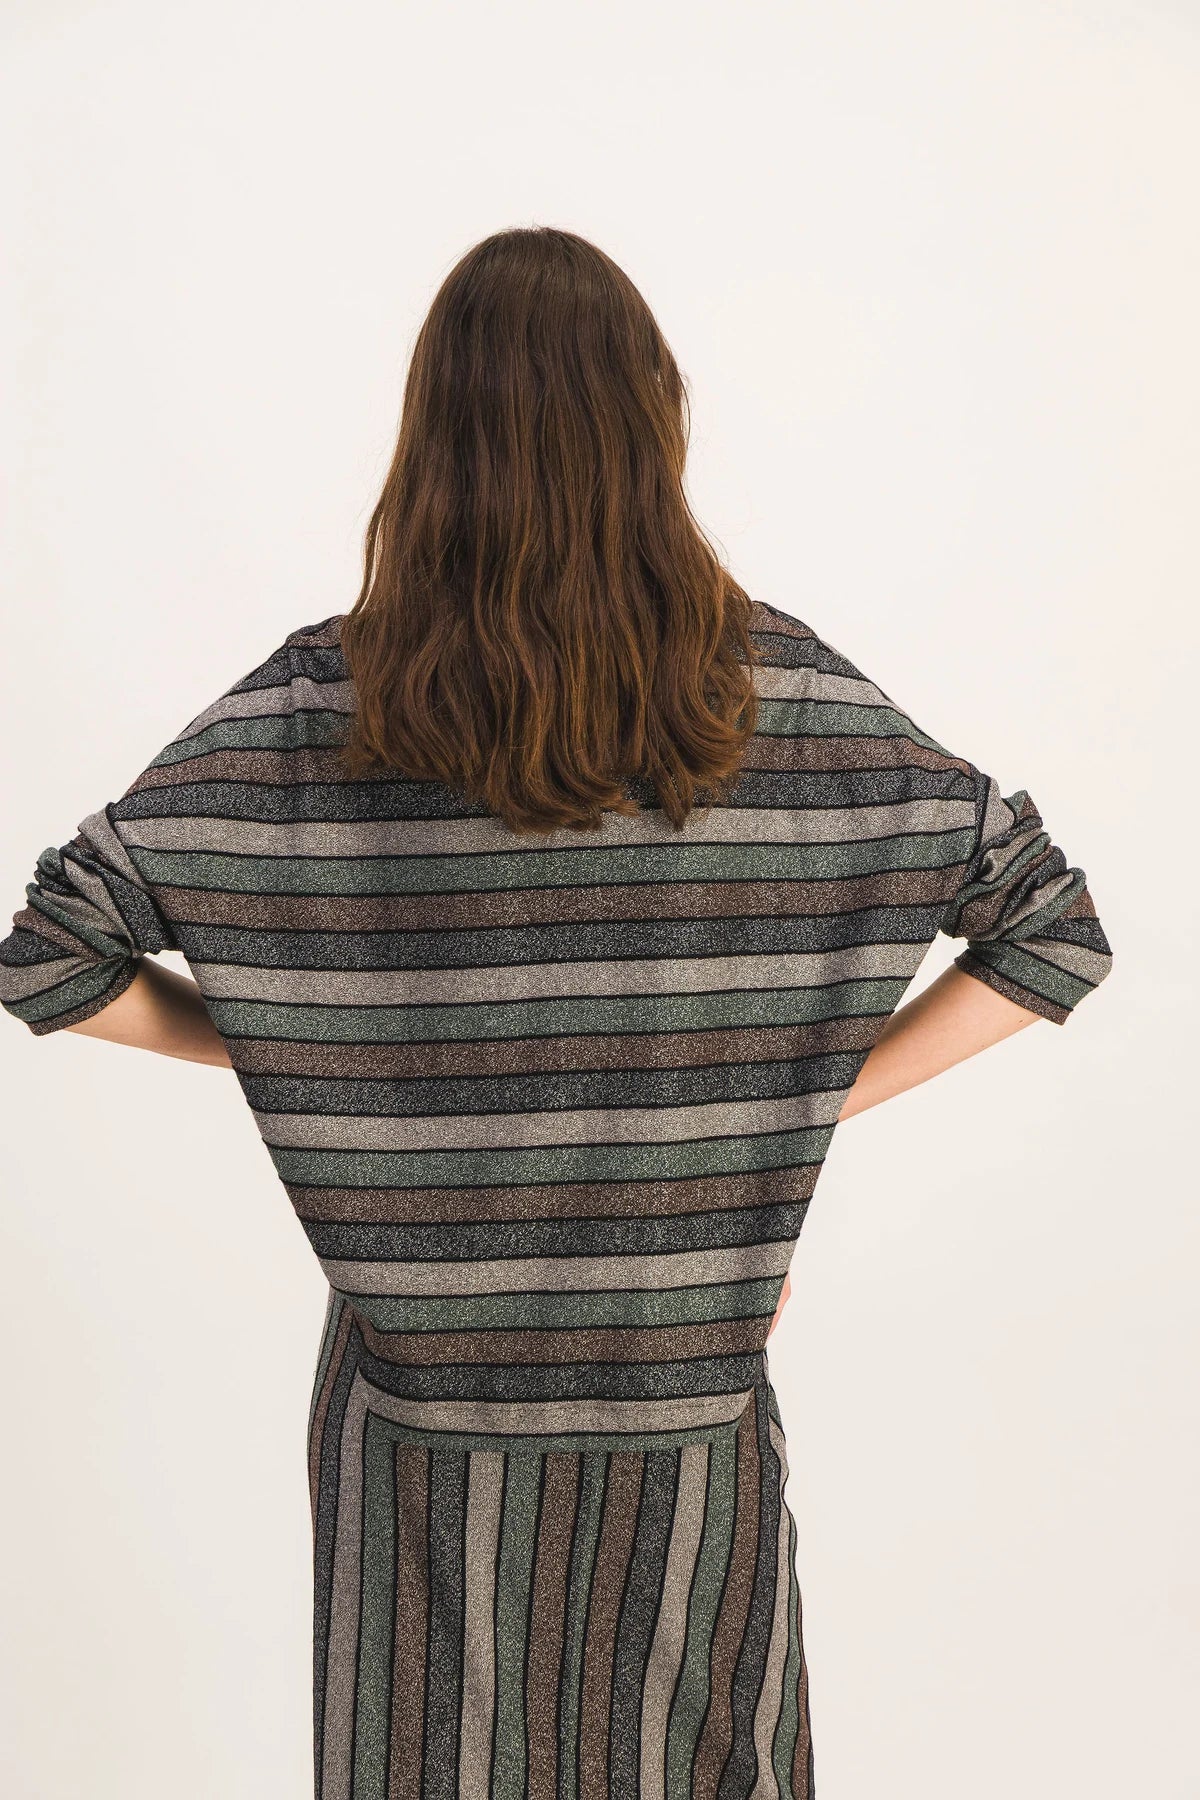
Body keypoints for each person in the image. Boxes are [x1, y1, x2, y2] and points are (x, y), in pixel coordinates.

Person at [0, 226, 1112, 1800]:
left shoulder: (326, 706)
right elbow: (1051, 932)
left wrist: (315, 1051)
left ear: (433, 437)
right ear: (655, 425)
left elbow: (50, 954)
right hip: (685, 1387)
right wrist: (763, 1107)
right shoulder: (774, 698)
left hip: (419, 1409)